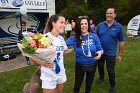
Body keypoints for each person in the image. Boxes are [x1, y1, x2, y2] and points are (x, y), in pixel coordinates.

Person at [30, 14, 73, 93]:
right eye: (61, 22)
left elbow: (64, 51)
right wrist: (43, 63)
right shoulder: (44, 38)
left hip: (60, 71)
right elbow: (32, 57)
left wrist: (75, 49)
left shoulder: (61, 38)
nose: (64, 25)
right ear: (53, 23)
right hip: (48, 73)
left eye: (65, 23)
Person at [66, 17, 103, 93]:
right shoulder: (74, 38)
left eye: (85, 24)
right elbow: (62, 44)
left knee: (89, 84)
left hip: (92, 64)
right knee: (77, 84)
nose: (84, 26)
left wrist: (100, 53)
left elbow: (100, 49)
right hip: (80, 65)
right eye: (81, 24)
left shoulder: (94, 36)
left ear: (88, 25)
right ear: (78, 26)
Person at [95, 7, 125, 93]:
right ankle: (101, 78)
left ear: (115, 15)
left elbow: (122, 41)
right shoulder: (100, 25)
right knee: (100, 66)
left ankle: (113, 85)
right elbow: (95, 38)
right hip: (100, 52)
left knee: (110, 70)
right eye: (107, 13)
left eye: (111, 13)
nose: (108, 15)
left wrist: (120, 55)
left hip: (111, 53)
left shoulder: (119, 27)